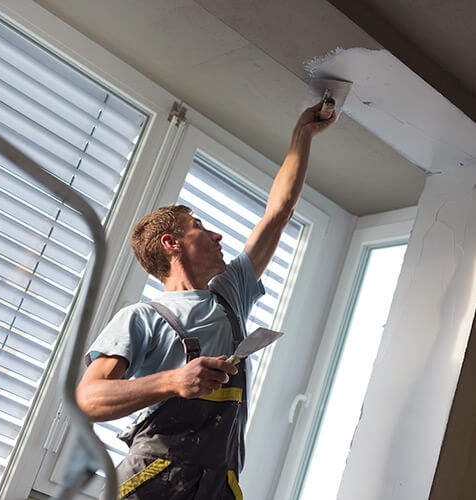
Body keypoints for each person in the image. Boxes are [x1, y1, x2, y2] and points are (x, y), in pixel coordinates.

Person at [76, 101, 335, 499]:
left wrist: (303, 133)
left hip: (219, 485)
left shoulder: (229, 296)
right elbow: (88, 399)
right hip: (151, 482)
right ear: (171, 243)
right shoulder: (142, 318)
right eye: (199, 228)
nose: (217, 237)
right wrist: (174, 380)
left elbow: (279, 212)